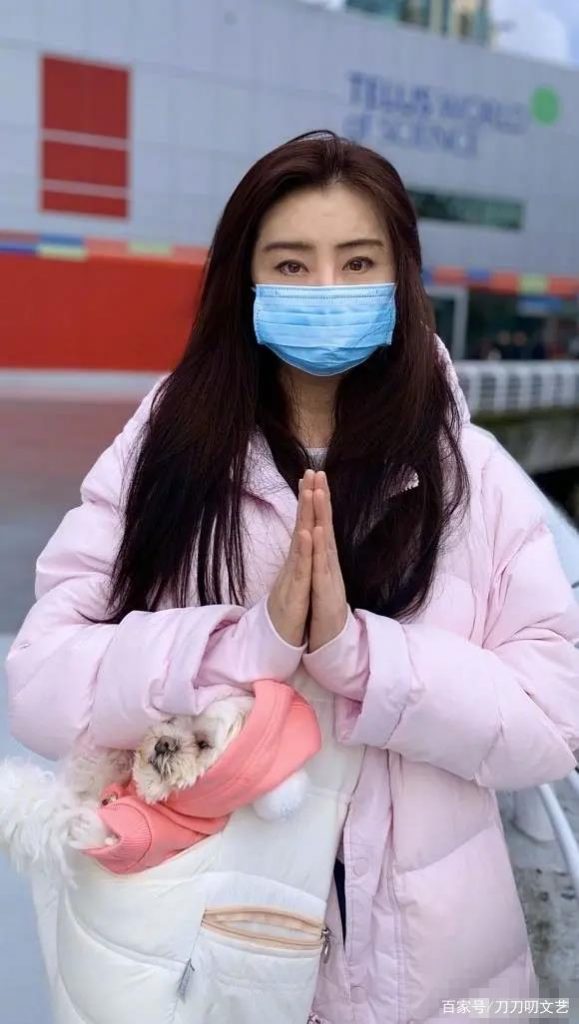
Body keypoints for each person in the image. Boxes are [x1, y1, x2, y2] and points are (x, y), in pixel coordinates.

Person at [6, 131, 579, 1024]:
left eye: (357, 262)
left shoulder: (472, 475)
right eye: (291, 264)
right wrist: (244, 646)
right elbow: (42, 682)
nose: (326, 289)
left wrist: (362, 657)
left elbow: (553, 718)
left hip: (426, 976)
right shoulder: (163, 453)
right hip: (201, 955)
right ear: (245, 281)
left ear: (401, 278)